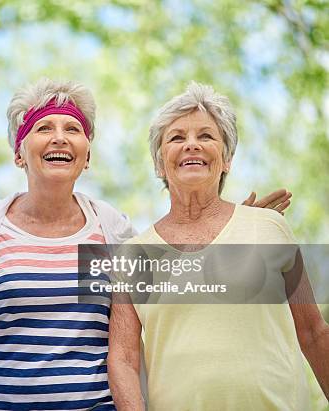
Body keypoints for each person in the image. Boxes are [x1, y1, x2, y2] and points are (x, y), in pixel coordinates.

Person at [0, 78, 292, 410]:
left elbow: (174, 274)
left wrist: (232, 225)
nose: (59, 137)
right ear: (19, 154)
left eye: (72, 129)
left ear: (86, 155)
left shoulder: (111, 231)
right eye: (44, 128)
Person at [107, 82, 328, 410]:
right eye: (177, 137)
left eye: (206, 136)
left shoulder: (270, 228)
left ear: (226, 160)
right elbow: (123, 359)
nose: (192, 145)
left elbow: (313, 332)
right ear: (159, 164)